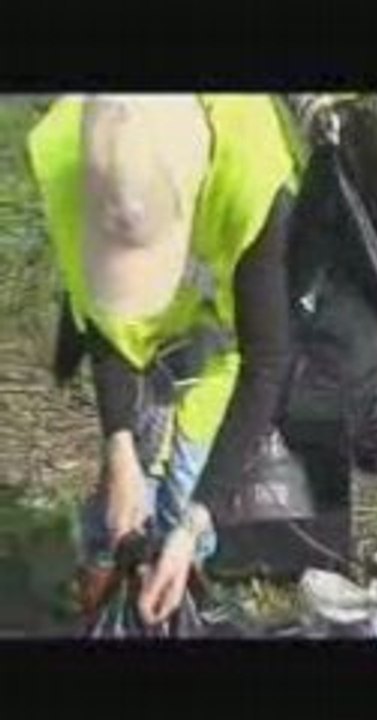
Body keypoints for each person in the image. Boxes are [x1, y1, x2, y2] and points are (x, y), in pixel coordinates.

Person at [28, 95, 297, 625]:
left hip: (222, 346)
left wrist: (193, 525)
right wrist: (120, 444)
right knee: (124, 490)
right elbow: (105, 324)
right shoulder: (74, 152)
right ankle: (102, 580)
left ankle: (181, 578)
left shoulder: (257, 183)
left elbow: (266, 366)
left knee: (188, 480)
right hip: (143, 348)